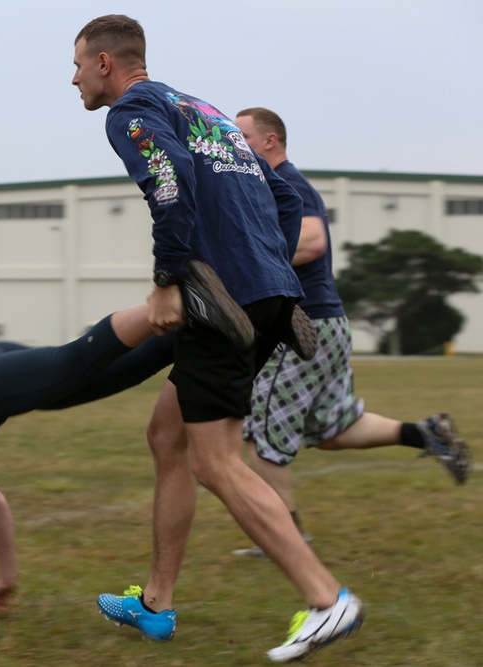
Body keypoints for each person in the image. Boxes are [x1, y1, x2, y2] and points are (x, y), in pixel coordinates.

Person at [73, 15, 362, 662]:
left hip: (218, 299)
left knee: (217, 461)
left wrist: (170, 277)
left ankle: (326, 598)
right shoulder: (203, 108)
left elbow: (168, 182)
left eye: (77, 65)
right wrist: (273, 267)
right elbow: (283, 190)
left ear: (104, 65)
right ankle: (156, 602)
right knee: (168, 434)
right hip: (265, 293)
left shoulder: (131, 111)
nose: (73, 79)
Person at [228, 107, 471, 558]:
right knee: (333, 428)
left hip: (301, 326)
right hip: (328, 325)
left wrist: (248, 260)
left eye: (241, 135)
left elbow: (313, 241)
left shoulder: (288, 182)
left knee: (261, 432)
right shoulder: (269, 184)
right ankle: (427, 433)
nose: (233, 143)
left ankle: (288, 538)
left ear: (270, 141)